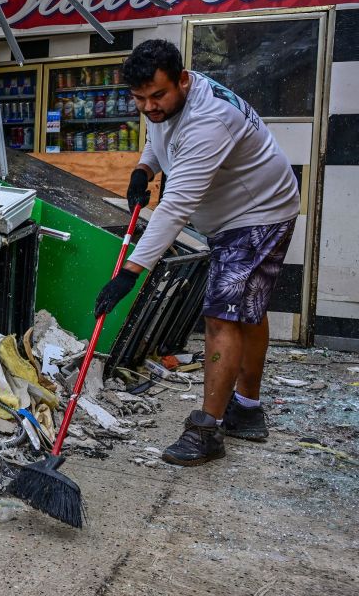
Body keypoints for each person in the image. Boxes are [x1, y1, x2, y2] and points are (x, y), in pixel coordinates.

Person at [93, 39, 300, 466]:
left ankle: (207, 430)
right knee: (248, 309)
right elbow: (160, 130)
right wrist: (143, 168)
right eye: (139, 99)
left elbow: (176, 207)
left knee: (222, 315)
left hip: (257, 215)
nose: (149, 107)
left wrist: (131, 273)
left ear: (183, 81)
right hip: (235, 213)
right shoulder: (173, 99)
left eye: (157, 96)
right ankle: (246, 409)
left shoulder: (210, 121)